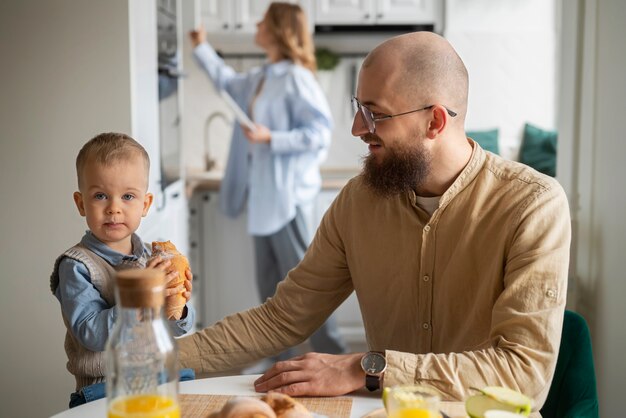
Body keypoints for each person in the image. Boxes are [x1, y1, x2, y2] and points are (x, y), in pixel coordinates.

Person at [177, 31, 570, 411]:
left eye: (374, 114)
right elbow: (281, 319)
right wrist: (143, 360)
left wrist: (364, 367)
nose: (357, 129)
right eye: (358, 108)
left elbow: (525, 375)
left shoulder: (532, 205)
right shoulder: (358, 201)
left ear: (434, 122)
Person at [189, 2, 347, 360]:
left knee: (310, 291)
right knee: (272, 293)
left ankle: (336, 359)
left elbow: (320, 133)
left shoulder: (296, 77)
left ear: (278, 29)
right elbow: (227, 84)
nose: (256, 24)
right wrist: (200, 46)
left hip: (287, 201)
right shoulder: (263, 76)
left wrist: (271, 137)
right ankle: (282, 365)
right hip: (263, 202)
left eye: (262, 20)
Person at [50, 132, 195, 407]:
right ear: (81, 204)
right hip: (103, 392)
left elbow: (176, 329)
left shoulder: (152, 258)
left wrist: (179, 304)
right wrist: (142, 295)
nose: (114, 208)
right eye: (101, 196)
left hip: (156, 379)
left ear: (145, 204)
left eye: (128, 196)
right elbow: (91, 333)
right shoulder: (76, 266)